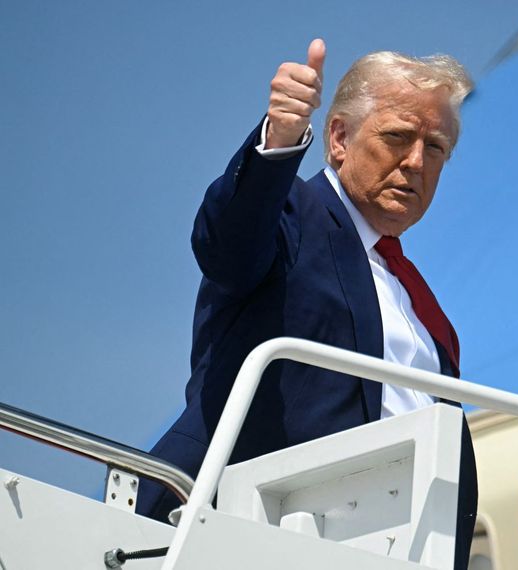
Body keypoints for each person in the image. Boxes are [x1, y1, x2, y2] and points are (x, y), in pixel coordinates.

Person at [136, 39, 478, 568]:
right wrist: (280, 139)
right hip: (242, 530)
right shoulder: (290, 213)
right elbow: (227, 244)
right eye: (397, 137)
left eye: (435, 149)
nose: (415, 162)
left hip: (389, 549)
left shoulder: (420, 301)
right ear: (338, 138)